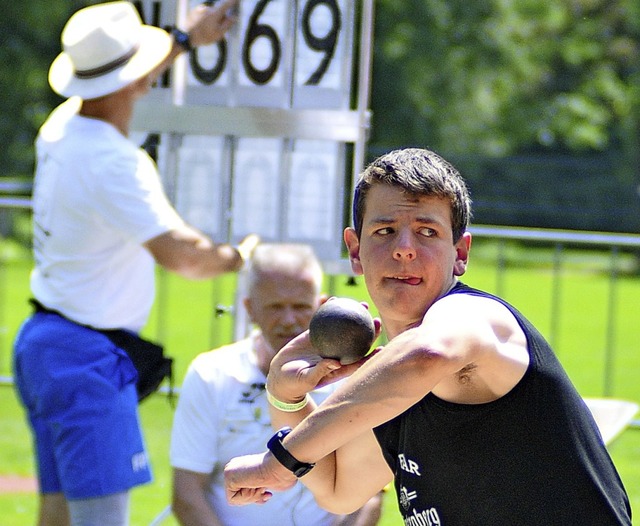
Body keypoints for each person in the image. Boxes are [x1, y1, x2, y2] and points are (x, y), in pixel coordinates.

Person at [223, 148, 632, 525]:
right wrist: (284, 393)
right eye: (384, 231)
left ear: (461, 254)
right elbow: (336, 489)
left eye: (427, 232)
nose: (404, 249)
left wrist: (278, 462)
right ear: (354, 249)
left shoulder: (473, 317)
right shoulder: (391, 386)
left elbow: (427, 354)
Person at [12, 1, 256, 525]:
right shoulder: (117, 163)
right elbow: (183, 258)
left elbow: (120, 81)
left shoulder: (60, 127)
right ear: (137, 82)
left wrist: (185, 40)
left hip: (44, 346)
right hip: (87, 362)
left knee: (56, 513)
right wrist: (237, 257)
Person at [170, 243, 383, 526]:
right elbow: (187, 493)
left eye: (299, 307)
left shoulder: (352, 378)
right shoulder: (211, 373)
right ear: (250, 309)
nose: (288, 320)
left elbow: (370, 495)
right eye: (274, 307)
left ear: (321, 308)